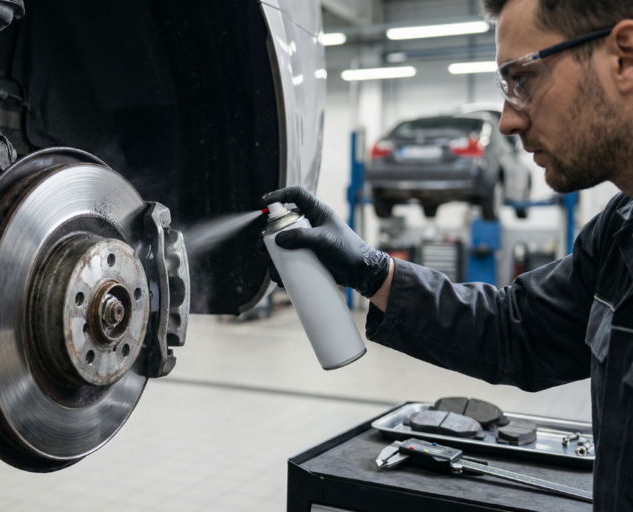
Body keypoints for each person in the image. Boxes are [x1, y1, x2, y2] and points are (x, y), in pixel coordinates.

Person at [260, 0, 633, 508]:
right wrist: (374, 272)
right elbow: (516, 328)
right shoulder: (619, 232)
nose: (506, 121)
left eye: (522, 79)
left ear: (623, 58)